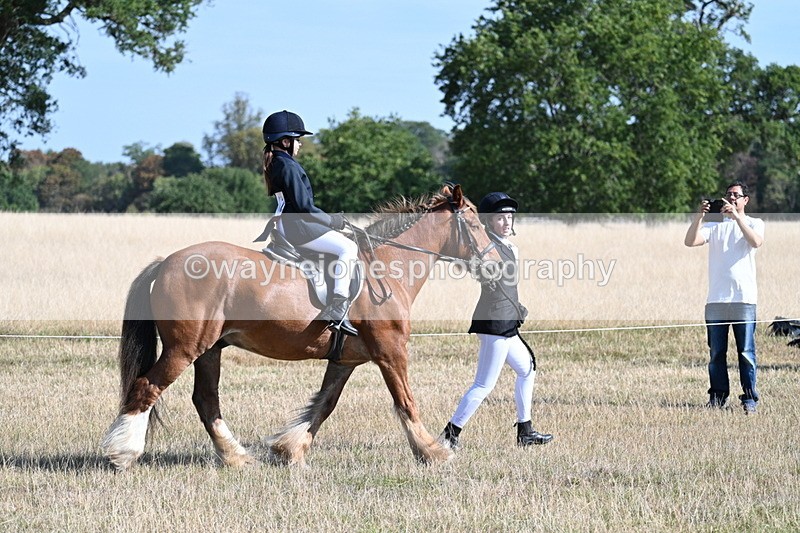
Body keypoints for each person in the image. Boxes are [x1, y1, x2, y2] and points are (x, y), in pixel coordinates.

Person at [440, 192, 553, 449]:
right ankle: (449, 435)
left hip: (507, 322)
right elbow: (470, 262)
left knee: (527, 368)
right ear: (489, 222)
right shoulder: (485, 246)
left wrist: (516, 307)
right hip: (494, 324)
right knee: (483, 385)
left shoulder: (510, 246)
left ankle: (525, 431)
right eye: (500, 218)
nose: (507, 222)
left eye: (510, 217)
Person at [262, 110, 359, 336]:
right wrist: (332, 220)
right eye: (298, 140)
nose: (300, 145)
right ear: (285, 142)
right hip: (298, 226)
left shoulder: (277, 162)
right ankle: (337, 306)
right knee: (348, 247)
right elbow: (304, 207)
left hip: (286, 223)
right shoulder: (287, 165)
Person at [684, 181, 765, 414]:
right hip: (717, 299)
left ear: (745, 200)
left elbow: (756, 242)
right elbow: (690, 241)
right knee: (716, 353)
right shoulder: (715, 224)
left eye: (736, 195)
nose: (731, 198)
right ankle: (718, 397)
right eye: (728, 195)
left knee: (746, 352)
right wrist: (700, 217)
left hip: (744, 298)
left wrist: (737, 218)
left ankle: (749, 399)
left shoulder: (754, 223)